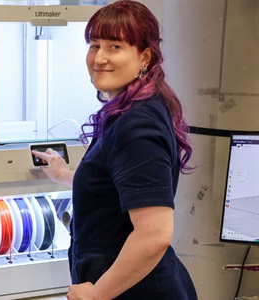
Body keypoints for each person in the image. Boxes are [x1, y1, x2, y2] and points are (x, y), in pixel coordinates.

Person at [31, 1, 198, 299]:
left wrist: (96, 295)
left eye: (115, 46)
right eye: (95, 45)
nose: (99, 58)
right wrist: (67, 175)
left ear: (144, 56)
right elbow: (118, 186)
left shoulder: (137, 125)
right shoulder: (133, 110)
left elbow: (154, 234)